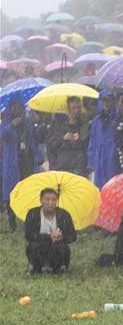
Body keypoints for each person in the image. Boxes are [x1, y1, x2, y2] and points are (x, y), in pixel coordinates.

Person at [2, 100, 39, 231]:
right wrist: (12, 125)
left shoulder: (27, 122)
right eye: (15, 108)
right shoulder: (7, 122)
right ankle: (12, 222)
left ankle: (28, 221)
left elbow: (34, 138)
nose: (18, 111)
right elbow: (3, 135)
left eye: (20, 108)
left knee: (27, 191)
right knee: (9, 192)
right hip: (11, 163)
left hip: (26, 162)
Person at [24, 187, 76, 274]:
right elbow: (28, 235)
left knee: (62, 247)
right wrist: (49, 237)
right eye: (47, 199)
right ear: (41, 200)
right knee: (32, 246)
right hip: (39, 245)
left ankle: (59, 268)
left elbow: (73, 236)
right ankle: (36, 267)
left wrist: (62, 236)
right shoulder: (33, 214)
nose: (50, 202)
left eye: (54, 200)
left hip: (57, 246)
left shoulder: (64, 214)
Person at [86, 92, 121, 188]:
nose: (106, 103)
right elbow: (92, 143)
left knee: (113, 188)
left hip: (112, 161)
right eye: (103, 100)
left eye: (108, 100)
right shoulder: (96, 121)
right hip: (98, 161)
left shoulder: (117, 119)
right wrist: (91, 163)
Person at [48, 96, 90, 175]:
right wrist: (63, 138)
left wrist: (75, 140)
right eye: (73, 108)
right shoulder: (60, 126)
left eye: (78, 108)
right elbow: (52, 144)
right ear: (68, 109)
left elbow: (85, 143)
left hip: (79, 167)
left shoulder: (84, 125)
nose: (76, 111)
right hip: (63, 167)